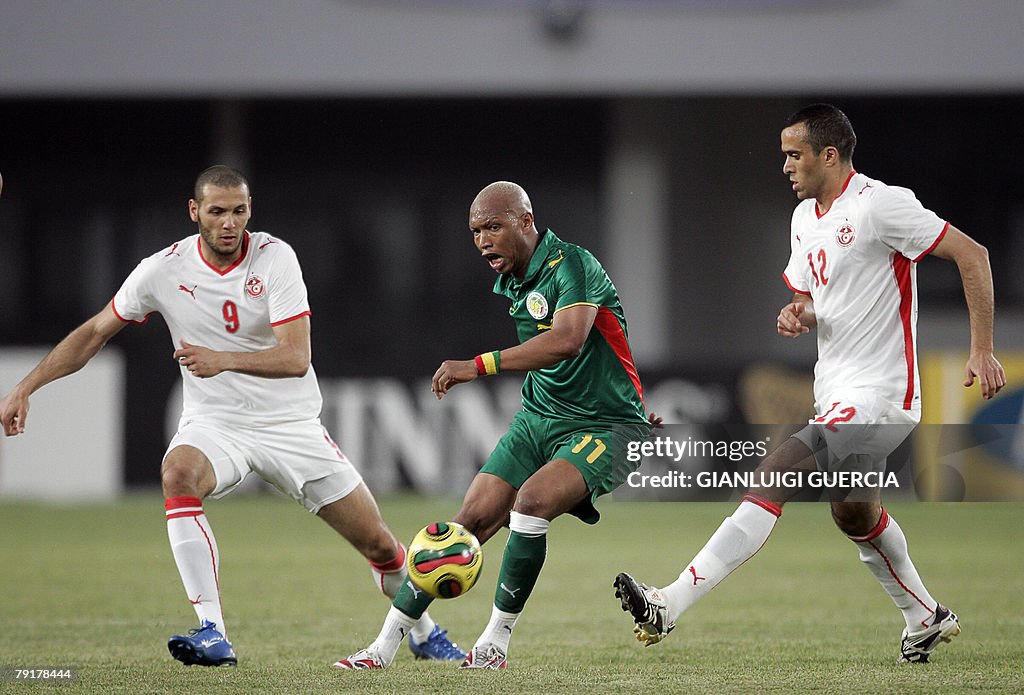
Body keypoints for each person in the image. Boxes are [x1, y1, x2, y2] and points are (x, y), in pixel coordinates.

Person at [0, 165, 464, 667]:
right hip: (216, 425)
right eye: (217, 211)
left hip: (291, 427)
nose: (229, 223)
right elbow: (94, 332)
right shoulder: (163, 270)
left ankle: (425, 632)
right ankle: (212, 631)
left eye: (238, 211)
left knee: (378, 545)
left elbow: (296, 359)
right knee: (178, 473)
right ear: (194, 211)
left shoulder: (275, 258)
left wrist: (223, 359)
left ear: (249, 211)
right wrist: (27, 386)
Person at [614, 104, 1006, 664]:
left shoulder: (881, 205)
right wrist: (802, 313)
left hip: (881, 393)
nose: (785, 167)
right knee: (852, 510)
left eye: (794, 155)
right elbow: (817, 296)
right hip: (836, 389)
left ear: (830, 154)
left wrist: (982, 348)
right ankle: (924, 616)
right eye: (783, 156)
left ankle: (669, 603)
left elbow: (974, 255)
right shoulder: (804, 219)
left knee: (774, 469)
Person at [333, 181, 658, 671]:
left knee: (530, 504)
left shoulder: (572, 264)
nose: (483, 240)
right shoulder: (513, 277)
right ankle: (382, 649)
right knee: (465, 528)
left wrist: (477, 365)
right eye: (475, 231)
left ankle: (493, 644)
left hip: (606, 427)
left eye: (493, 226)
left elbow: (568, 341)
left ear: (526, 222)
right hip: (537, 418)